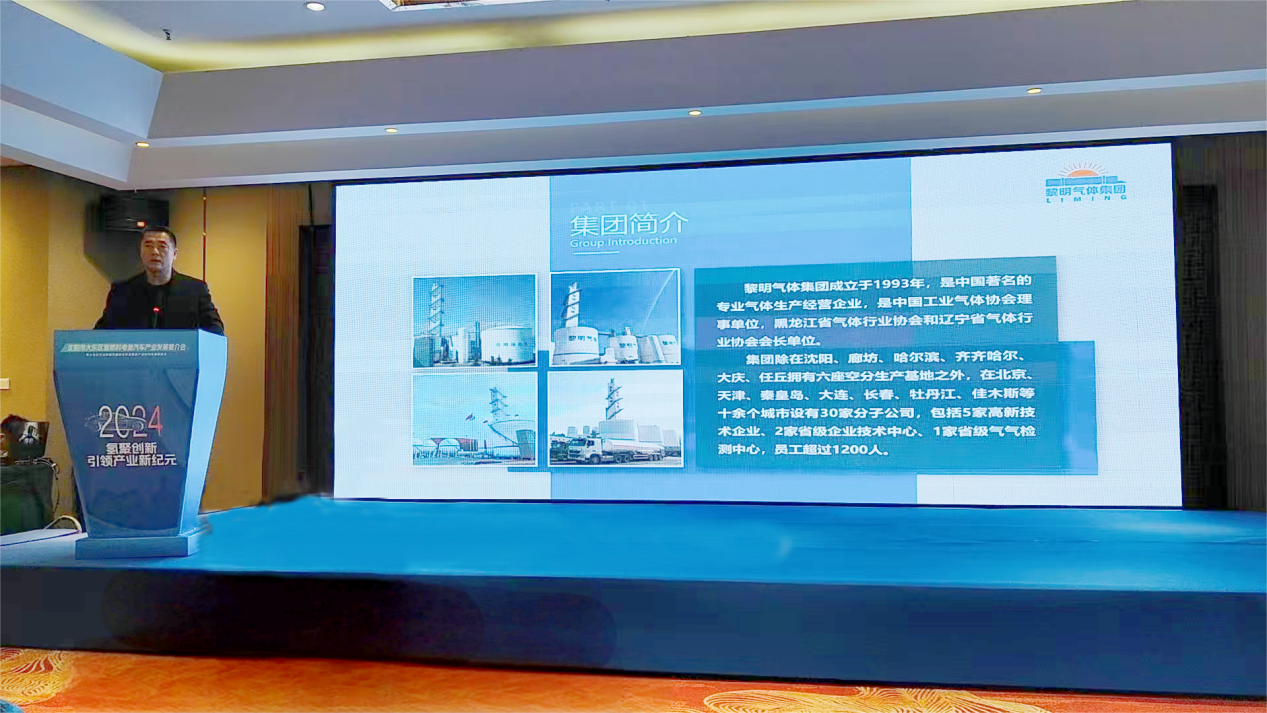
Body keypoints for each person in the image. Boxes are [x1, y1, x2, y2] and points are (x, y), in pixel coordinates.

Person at [94, 226, 225, 335]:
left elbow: (215, 330)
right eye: (148, 245)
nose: (155, 252)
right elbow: (101, 333)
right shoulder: (122, 291)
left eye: (162, 246)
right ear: (140, 252)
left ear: (174, 254)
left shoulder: (195, 290)